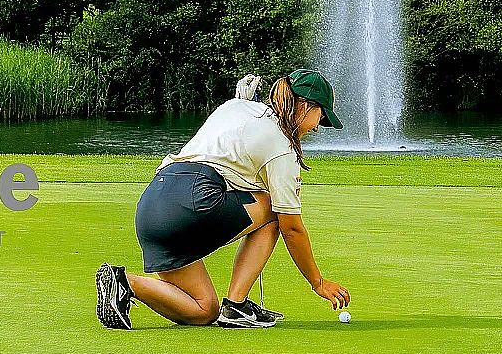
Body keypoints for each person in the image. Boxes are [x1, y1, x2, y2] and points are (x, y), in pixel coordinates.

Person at [95, 69, 352, 329]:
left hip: (152, 206)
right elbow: (292, 228)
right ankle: (237, 305)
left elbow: (239, 124)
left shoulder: (237, 106)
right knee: (277, 211)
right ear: (306, 107)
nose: (318, 126)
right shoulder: (282, 147)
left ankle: (124, 282)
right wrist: (317, 282)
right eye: (321, 116)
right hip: (192, 200)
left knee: (203, 309)